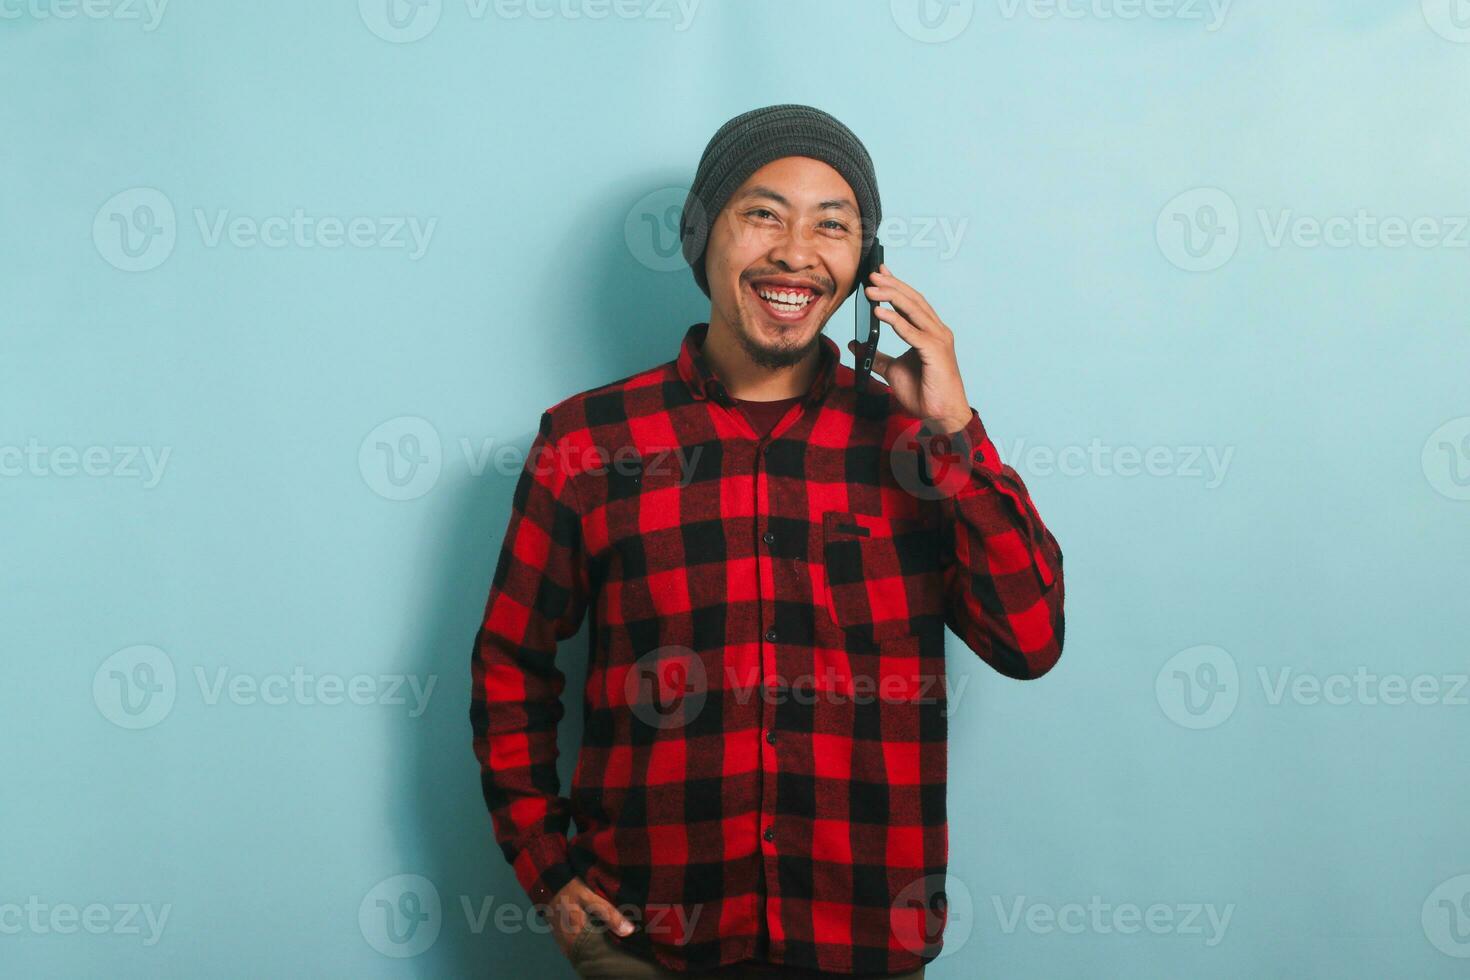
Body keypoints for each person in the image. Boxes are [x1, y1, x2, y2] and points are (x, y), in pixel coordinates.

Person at [470, 103, 1065, 979]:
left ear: (866, 264)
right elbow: (511, 667)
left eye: (834, 225)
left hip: (863, 941)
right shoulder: (587, 443)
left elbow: (1031, 642)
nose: (796, 252)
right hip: (647, 945)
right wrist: (547, 873)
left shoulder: (917, 446)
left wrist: (956, 433)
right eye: (763, 214)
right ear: (701, 236)